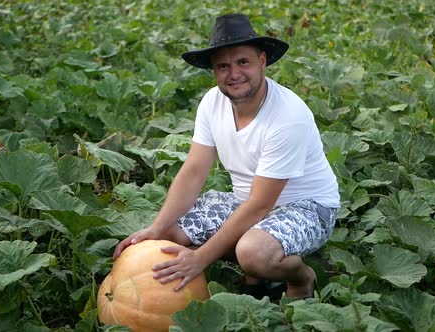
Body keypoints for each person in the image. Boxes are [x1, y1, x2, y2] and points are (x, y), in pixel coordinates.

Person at [113, 13, 340, 299]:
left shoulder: (288, 117)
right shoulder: (212, 102)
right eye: (223, 66)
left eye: (242, 62)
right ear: (214, 71)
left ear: (262, 60)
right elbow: (194, 171)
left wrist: (201, 257)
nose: (233, 74)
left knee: (252, 252)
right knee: (170, 234)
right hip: (246, 203)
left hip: (308, 209)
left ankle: (301, 276)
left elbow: (260, 205)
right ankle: (255, 271)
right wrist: (155, 229)